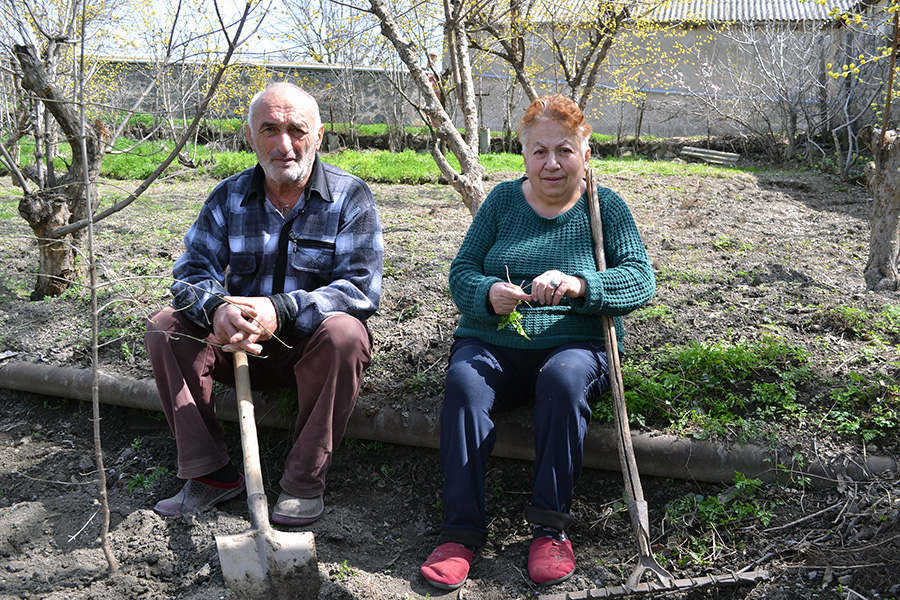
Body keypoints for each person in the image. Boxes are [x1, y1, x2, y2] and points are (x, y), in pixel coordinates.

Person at [419, 94, 655, 589]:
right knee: (464, 384)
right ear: (523, 155)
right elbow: (461, 271)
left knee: (564, 382)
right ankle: (459, 533)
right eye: (539, 151)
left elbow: (640, 280)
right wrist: (487, 292)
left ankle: (551, 528)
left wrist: (582, 285)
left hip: (576, 345)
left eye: (564, 150)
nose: (552, 163)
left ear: (585, 155)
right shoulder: (502, 202)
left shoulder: (604, 207)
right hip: (494, 342)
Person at [145, 82, 383, 526]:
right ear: (250, 136)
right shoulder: (228, 196)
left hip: (308, 353)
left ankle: (302, 482)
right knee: (164, 324)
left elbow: (359, 289)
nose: (284, 144)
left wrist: (281, 310)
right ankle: (210, 473)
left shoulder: (350, 197)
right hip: (237, 347)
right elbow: (191, 273)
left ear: (319, 135)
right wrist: (216, 309)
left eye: (297, 129)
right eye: (269, 129)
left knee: (347, 334)